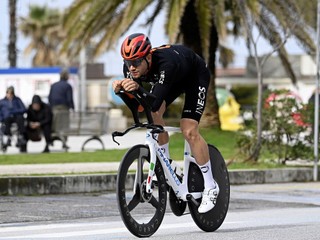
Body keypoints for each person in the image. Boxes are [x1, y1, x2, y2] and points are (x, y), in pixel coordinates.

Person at [112, 33, 219, 213]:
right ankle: (166, 162)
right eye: (128, 62)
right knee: (154, 114)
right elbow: (140, 108)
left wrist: (137, 88)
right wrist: (123, 92)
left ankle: (210, 186)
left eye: (137, 62)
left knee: (189, 129)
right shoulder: (129, 68)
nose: (132, 67)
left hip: (194, 75)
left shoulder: (166, 65)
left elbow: (153, 101)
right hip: (173, 79)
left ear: (148, 57)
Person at [48, 68, 74, 148]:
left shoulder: (54, 85)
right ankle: (64, 142)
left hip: (54, 108)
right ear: (66, 77)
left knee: (54, 124)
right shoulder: (68, 86)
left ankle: (51, 140)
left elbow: (49, 98)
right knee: (64, 126)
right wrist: (72, 108)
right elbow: (69, 99)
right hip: (64, 108)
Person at [0, 86, 27, 152]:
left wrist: (14, 111)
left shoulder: (17, 100)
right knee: (6, 121)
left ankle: (21, 136)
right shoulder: (2, 102)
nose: (9, 95)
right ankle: (7, 137)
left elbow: (23, 109)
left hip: (16, 117)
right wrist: (1, 118)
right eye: (8, 93)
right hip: (6, 118)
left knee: (20, 119)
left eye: (11, 93)